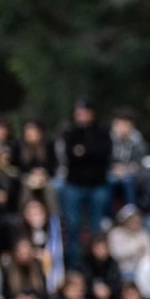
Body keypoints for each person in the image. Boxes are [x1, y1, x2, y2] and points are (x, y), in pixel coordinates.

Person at [58, 100, 113, 237]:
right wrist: (91, 152)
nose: (80, 117)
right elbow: (69, 156)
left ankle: (95, 255)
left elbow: (104, 154)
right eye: (78, 114)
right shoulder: (69, 131)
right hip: (74, 184)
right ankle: (73, 257)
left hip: (97, 184)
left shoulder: (103, 131)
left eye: (83, 113)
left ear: (91, 114)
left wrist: (84, 151)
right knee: (72, 224)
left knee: (97, 225)